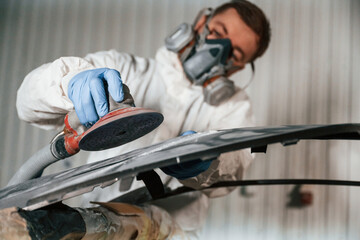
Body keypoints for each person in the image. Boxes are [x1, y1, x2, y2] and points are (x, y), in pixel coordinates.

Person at [16, 0, 270, 238]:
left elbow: (236, 164)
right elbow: (27, 104)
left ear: (238, 69)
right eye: (218, 32)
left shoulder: (234, 108)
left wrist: (211, 160)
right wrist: (69, 83)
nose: (218, 51)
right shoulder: (126, 70)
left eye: (234, 54)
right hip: (92, 225)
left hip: (172, 232)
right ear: (201, 22)